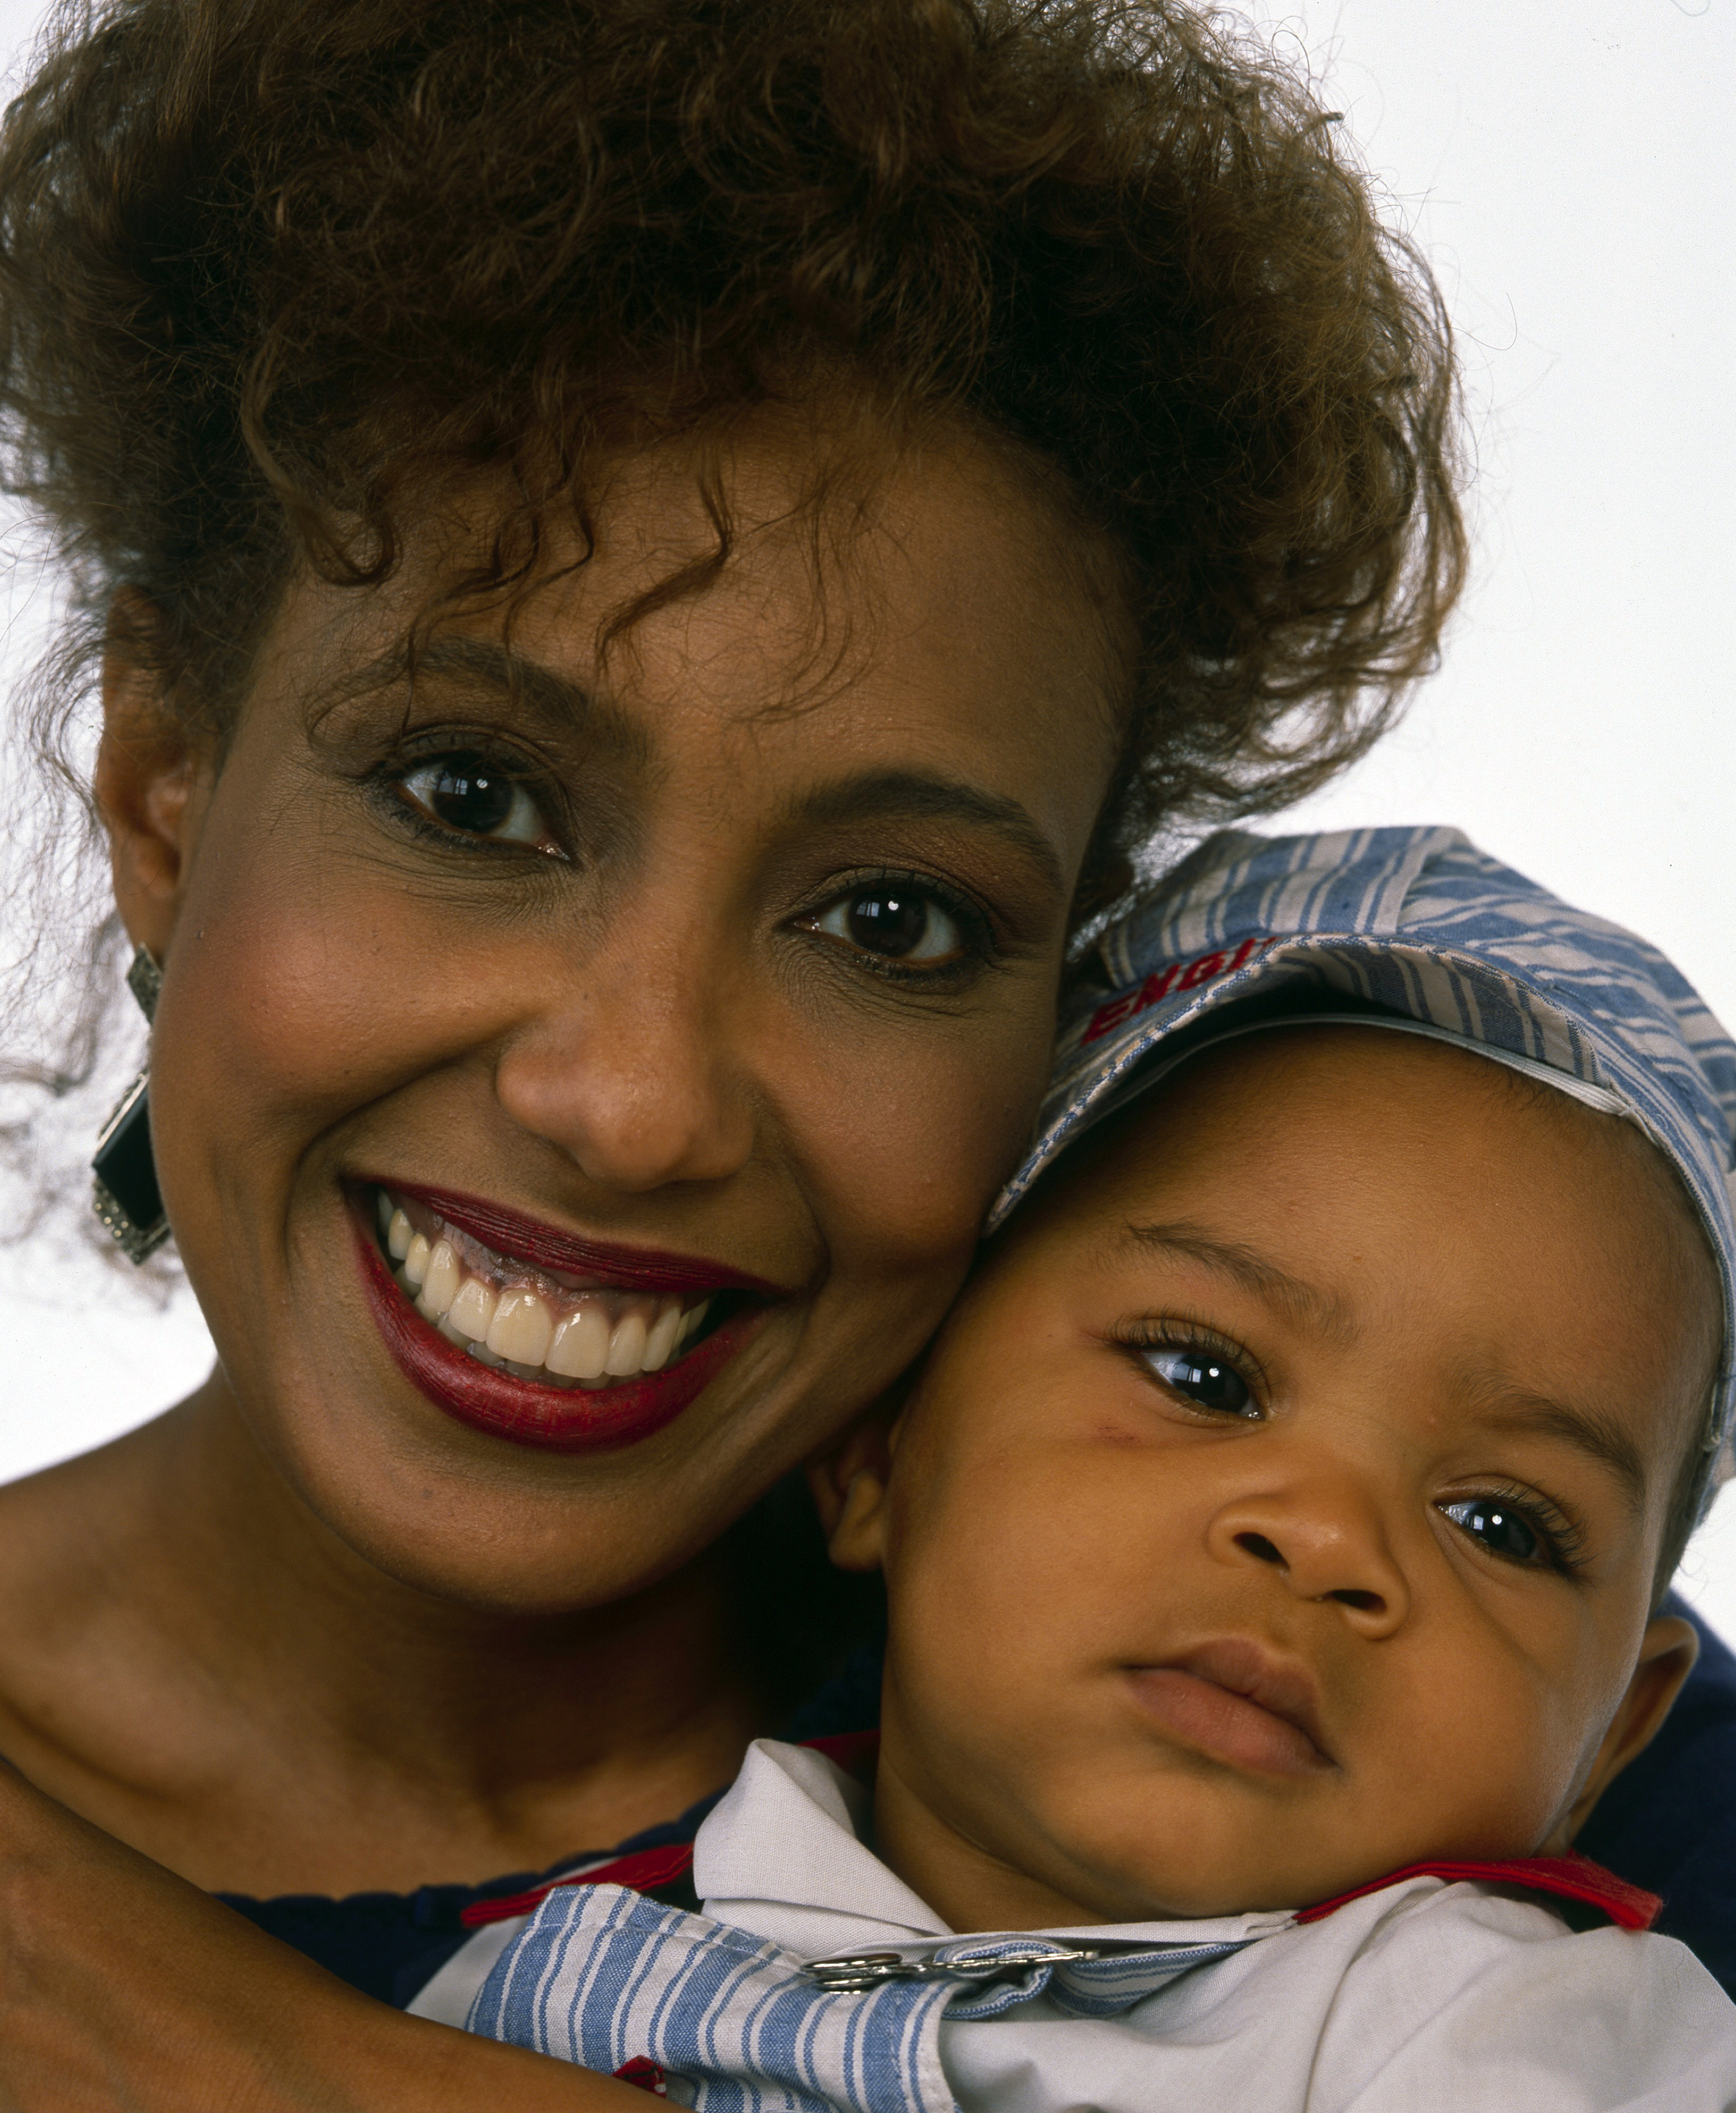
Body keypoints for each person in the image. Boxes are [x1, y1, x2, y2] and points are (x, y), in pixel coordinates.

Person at [0, 1, 1479, 2104]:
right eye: (468, 798)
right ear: (164, 793)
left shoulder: (1366, 1722)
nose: (635, 1103)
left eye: (889, 920)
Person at [465, 825, 1736, 2110]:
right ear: (876, 1449)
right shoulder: (539, 1973)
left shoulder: (1522, 2037)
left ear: (1615, 1737)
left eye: (1502, 1523)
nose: (1325, 1537)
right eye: (1204, 1380)